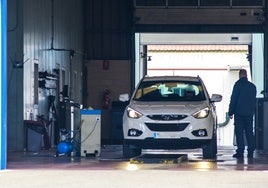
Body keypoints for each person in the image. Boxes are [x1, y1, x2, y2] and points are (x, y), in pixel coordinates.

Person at [228, 69, 257, 159]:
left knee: (239, 132)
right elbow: (253, 100)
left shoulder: (238, 85)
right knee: (249, 132)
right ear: (246, 75)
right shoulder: (252, 86)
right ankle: (251, 151)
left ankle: (240, 151)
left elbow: (234, 99)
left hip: (239, 113)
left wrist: (230, 112)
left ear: (240, 75)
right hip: (249, 113)